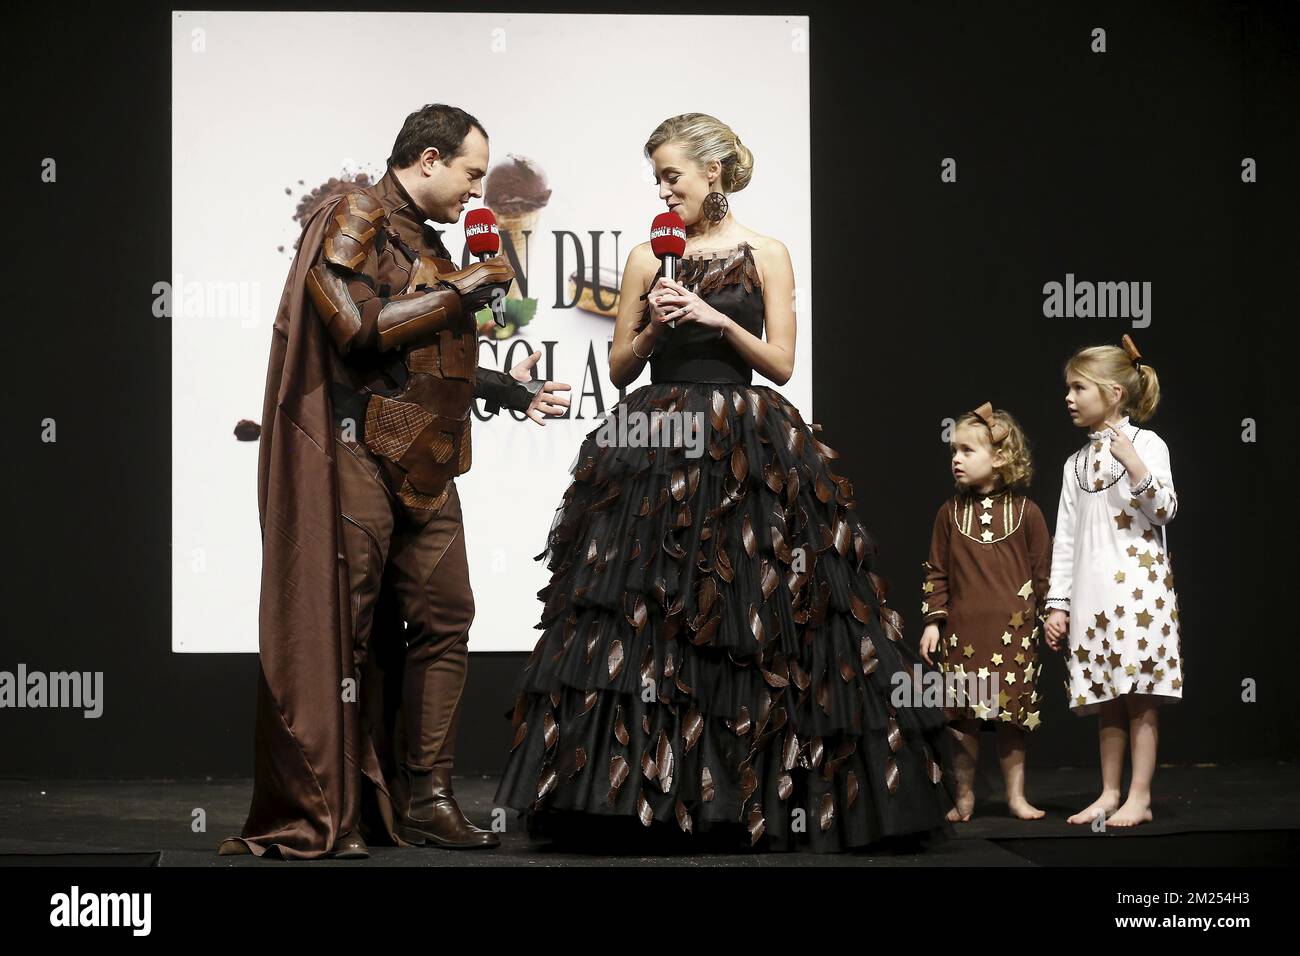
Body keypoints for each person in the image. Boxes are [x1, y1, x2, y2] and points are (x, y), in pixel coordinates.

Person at [495, 113, 954, 851]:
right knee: (651, 610)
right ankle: (638, 799)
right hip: (655, 442)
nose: (662, 188)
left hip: (745, 436)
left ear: (713, 172)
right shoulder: (648, 257)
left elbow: (779, 363)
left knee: (755, 607)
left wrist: (713, 316)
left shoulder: (767, 251)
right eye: (656, 178)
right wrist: (653, 325)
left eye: (670, 174)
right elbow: (617, 370)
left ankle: (752, 795)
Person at [219, 103, 571, 860]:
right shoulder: (354, 212)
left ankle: (428, 800)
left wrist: (510, 390)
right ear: (429, 158)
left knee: (448, 615)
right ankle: (332, 803)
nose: (477, 190)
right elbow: (354, 324)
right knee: (342, 633)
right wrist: (462, 291)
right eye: (472, 174)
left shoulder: (430, 242)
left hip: (428, 460)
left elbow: (426, 359)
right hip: (357, 456)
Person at [1043, 336, 1182, 828]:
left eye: (1079, 387)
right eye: (1068, 388)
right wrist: (1056, 604)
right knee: (1106, 696)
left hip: (1139, 592)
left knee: (1141, 695)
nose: (1069, 397)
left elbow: (1164, 510)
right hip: (1092, 594)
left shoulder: (1148, 444)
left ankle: (1139, 795)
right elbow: (1065, 539)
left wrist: (1135, 465)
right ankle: (1108, 793)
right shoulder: (1073, 464)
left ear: (1113, 393)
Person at [917, 403, 1051, 822]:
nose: (955, 458)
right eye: (953, 451)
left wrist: (1051, 619)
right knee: (964, 721)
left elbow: (1044, 574)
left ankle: (1015, 797)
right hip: (964, 634)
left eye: (966, 451)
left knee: (1012, 721)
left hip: (1014, 636)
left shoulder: (1028, 513)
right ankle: (964, 797)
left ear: (999, 458)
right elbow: (936, 572)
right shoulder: (949, 514)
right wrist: (934, 621)